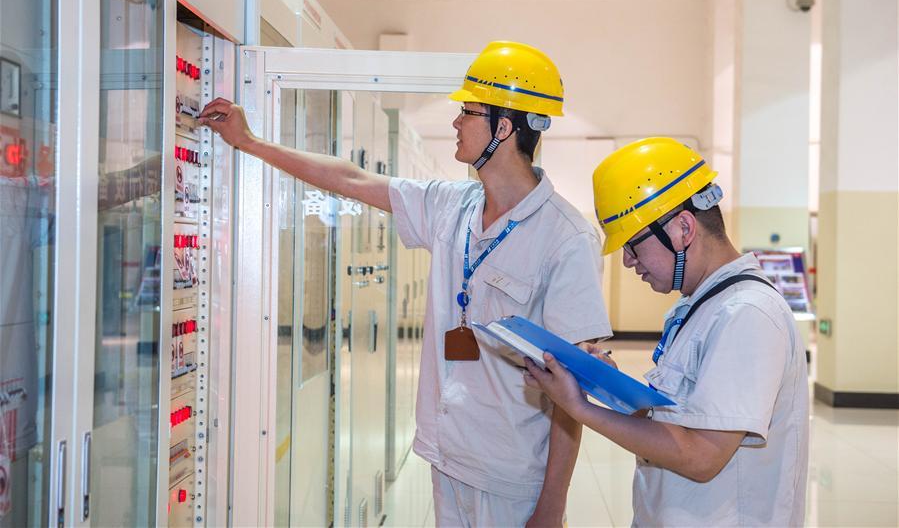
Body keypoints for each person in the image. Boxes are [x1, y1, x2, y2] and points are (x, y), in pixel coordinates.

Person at [200, 41, 612, 527]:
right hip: (447, 457)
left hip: (511, 475)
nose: (455, 122)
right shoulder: (452, 206)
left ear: (504, 128)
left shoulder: (566, 238)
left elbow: (574, 390)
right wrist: (250, 143)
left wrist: (552, 508)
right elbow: (351, 180)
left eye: (468, 112)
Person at [524, 137, 809, 526]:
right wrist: (606, 384)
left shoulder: (747, 315)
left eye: (632, 244)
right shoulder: (699, 306)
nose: (627, 261)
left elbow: (700, 456)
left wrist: (579, 407)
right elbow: (681, 421)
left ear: (683, 228)